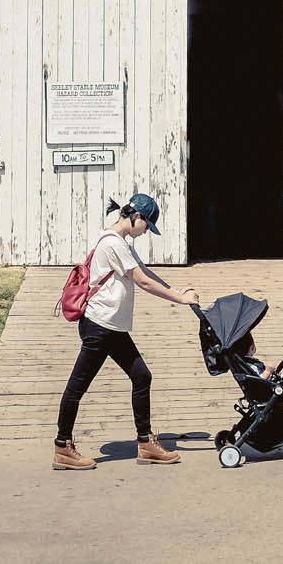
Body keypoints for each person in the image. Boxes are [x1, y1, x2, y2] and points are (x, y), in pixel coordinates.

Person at [53, 193, 202, 471]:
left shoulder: (121, 243)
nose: (146, 231)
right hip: (100, 325)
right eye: (147, 225)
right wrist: (179, 300)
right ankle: (63, 446)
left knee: (141, 375)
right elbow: (142, 281)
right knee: (77, 386)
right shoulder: (112, 243)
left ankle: (146, 444)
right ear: (136, 217)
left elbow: (144, 271)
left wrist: (176, 290)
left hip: (112, 326)